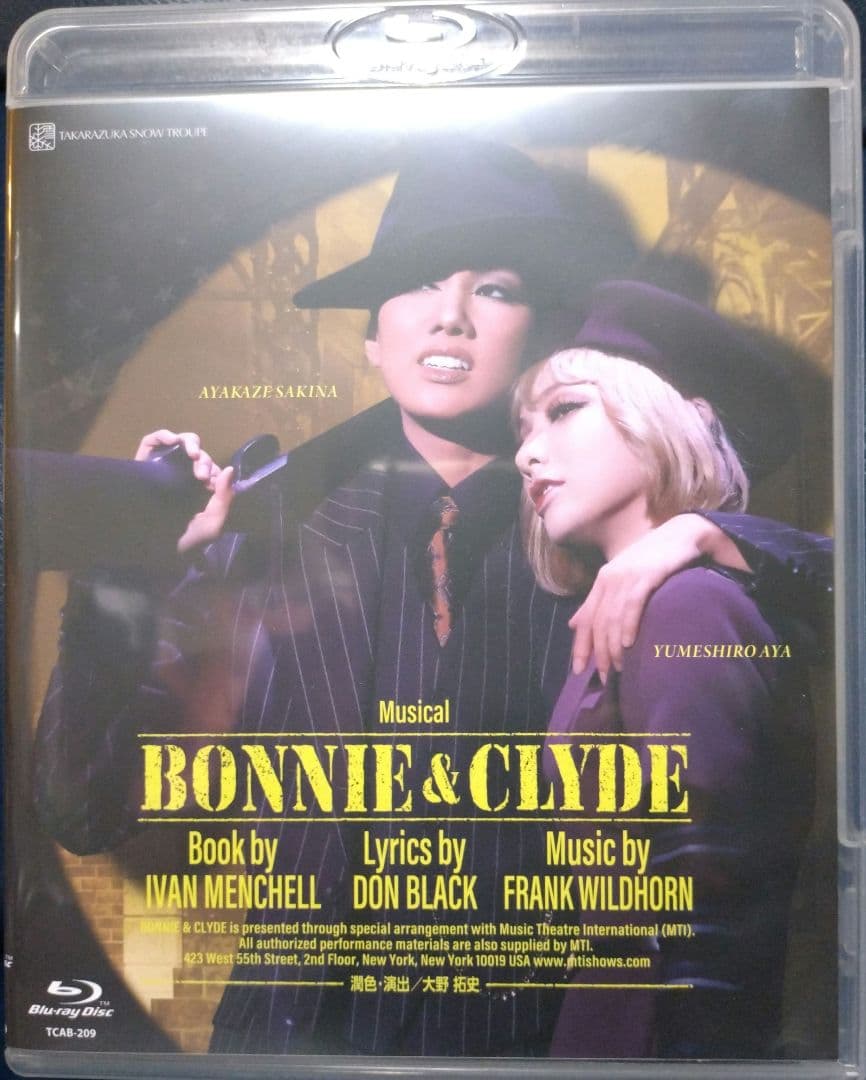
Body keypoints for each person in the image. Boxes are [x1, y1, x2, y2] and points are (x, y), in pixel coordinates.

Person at [34, 143, 831, 1057]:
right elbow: (82, 811)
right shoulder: (260, 527)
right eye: (417, 283)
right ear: (372, 337)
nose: (450, 315)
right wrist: (127, 573)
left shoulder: (612, 530)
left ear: (548, 335)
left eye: (494, 288)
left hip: (540, 1055)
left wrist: (707, 535)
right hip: (288, 1055)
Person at [514, 280, 821, 1058]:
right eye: (524, 427)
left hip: (653, 1044)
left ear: (675, 418)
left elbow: (706, 924)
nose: (526, 452)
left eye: (564, 409)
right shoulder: (630, 611)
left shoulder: (687, 606)